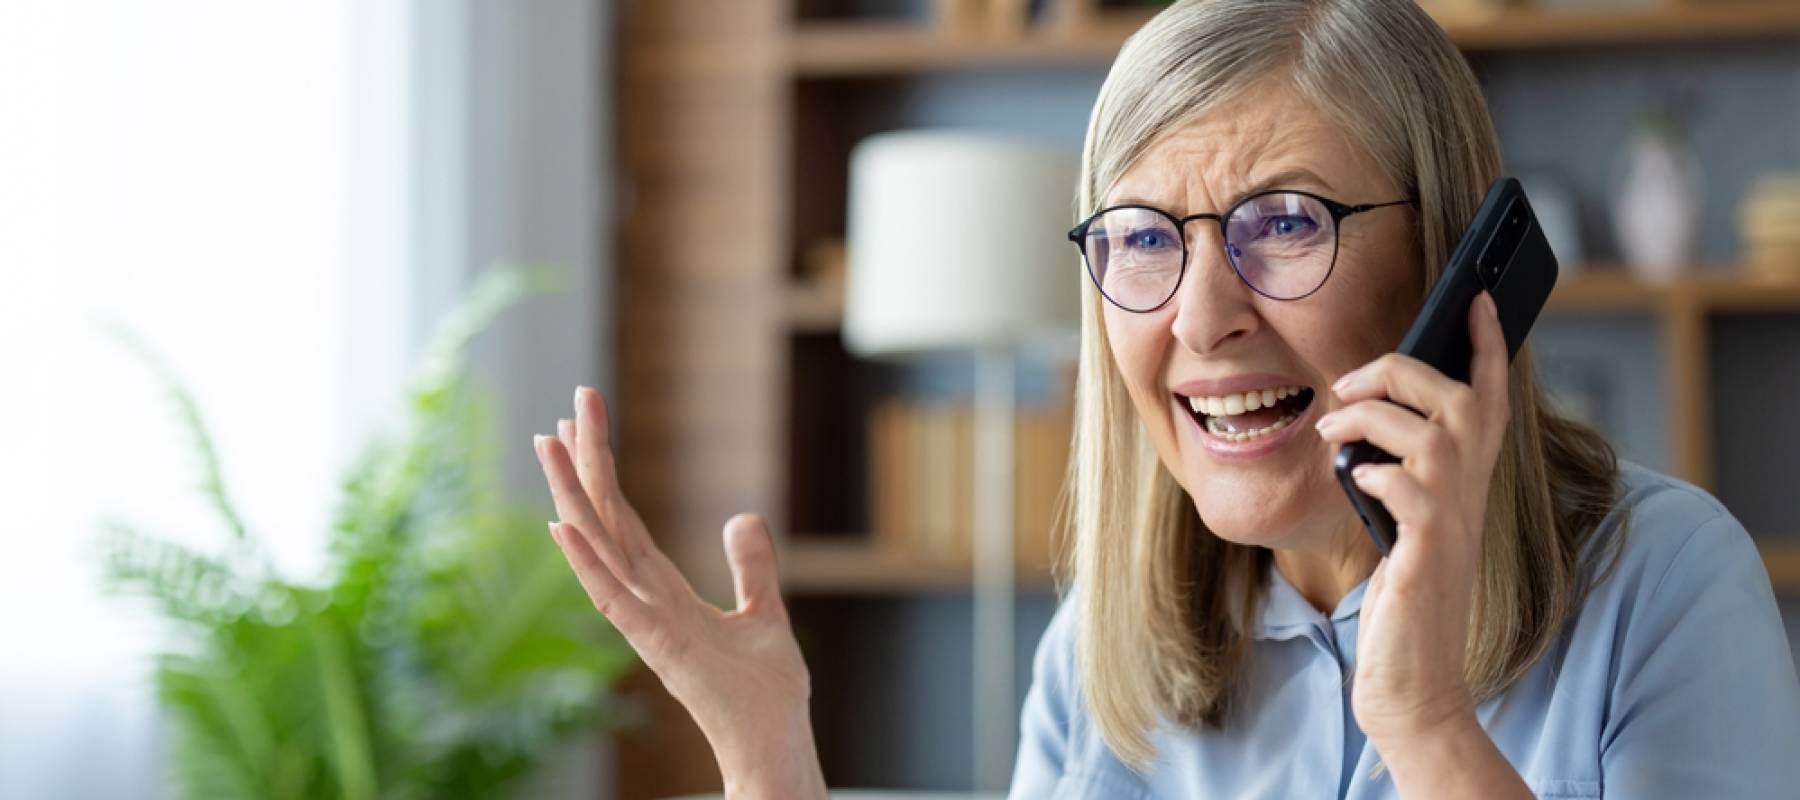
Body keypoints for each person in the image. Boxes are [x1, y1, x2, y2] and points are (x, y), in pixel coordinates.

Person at [531, 0, 1800, 797]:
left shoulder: (1664, 582)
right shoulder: (1100, 651)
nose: (1200, 317)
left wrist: (1423, 719)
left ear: (1454, 269)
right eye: (1143, 238)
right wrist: (768, 760)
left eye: (1287, 223)